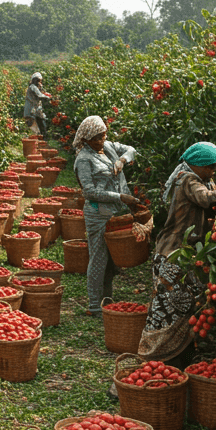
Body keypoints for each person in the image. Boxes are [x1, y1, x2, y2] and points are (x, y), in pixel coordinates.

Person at [138, 142, 216, 365]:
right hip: (173, 254)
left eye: (215, 168)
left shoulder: (205, 180)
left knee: (188, 309)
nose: (213, 172)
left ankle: (179, 360)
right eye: (210, 167)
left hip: (192, 256)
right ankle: (152, 362)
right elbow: (206, 198)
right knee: (166, 311)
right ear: (196, 164)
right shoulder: (187, 179)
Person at [72, 115, 147, 317]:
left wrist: (122, 159)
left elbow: (132, 150)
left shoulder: (109, 146)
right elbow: (88, 192)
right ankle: (95, 305)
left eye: (103, 136)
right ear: (85, 139)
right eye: (96, 138)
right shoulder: (84, 159)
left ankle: (107, 298)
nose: (100, 141)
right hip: (98, 214)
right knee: (98, 258)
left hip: (116, 212)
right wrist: (120, 197)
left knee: (111, 260)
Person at [24, 72, 51, 137]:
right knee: (34, 128)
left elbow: (40, 93)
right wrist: (49, 97)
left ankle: (42, 139)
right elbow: (39, 95)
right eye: (38, 81)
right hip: (32, 110)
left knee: (40, 124)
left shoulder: (35, 87)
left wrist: (43, 91)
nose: (40, 83)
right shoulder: (33, 87)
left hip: (35, 110)